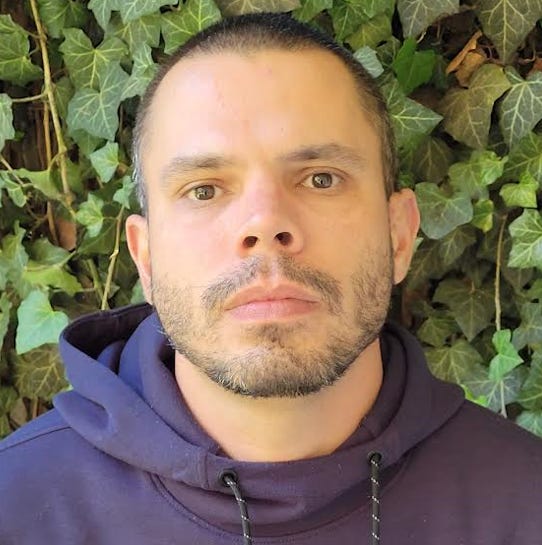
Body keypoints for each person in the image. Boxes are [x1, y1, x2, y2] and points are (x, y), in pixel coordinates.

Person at [1, 12, 541, 545]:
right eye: (204, 190)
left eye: (321, 179)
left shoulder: (525, 501)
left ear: (399, 236)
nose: (264, 223)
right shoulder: (15, 510)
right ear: (146, 257)